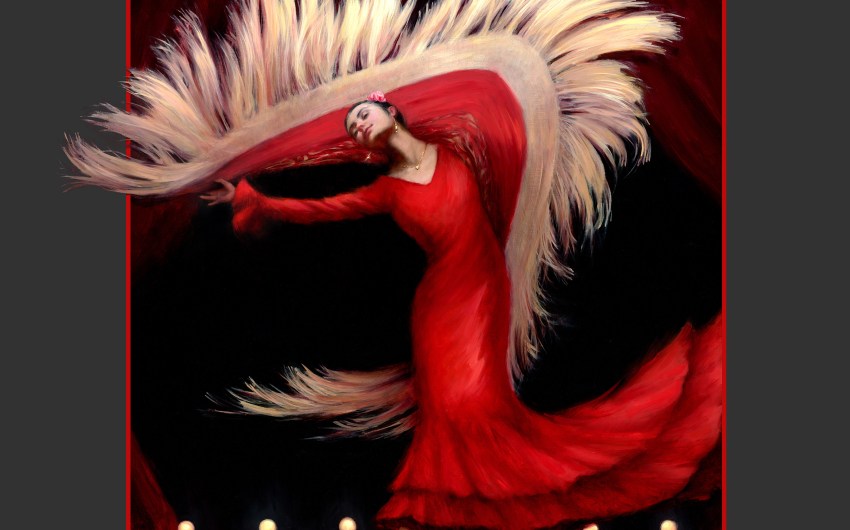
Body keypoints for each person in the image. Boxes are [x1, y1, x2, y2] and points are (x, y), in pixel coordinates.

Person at [199, 92, 722, 530]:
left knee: (481, 405)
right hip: (438, 308)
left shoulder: (457, 143)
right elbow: (319, 210)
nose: (359, 127)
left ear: (391, 111)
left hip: (484, 292)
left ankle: (487, 499)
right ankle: (460, 508)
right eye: (353, 128)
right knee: (453, 407)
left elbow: (514, 130)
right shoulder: (388, 190)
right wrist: (255, 199)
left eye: (363, 115)